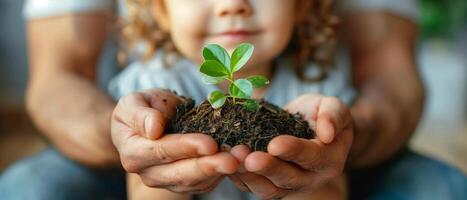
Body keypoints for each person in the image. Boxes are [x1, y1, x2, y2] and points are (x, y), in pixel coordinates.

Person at [1, 0, 466, 199]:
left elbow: (393, 76)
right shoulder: (151, 88)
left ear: (303, 6)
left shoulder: (317, 93)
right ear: (158, 11)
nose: (233, 3)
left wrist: (324, 161)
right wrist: (141, 149)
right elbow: (56, 79)